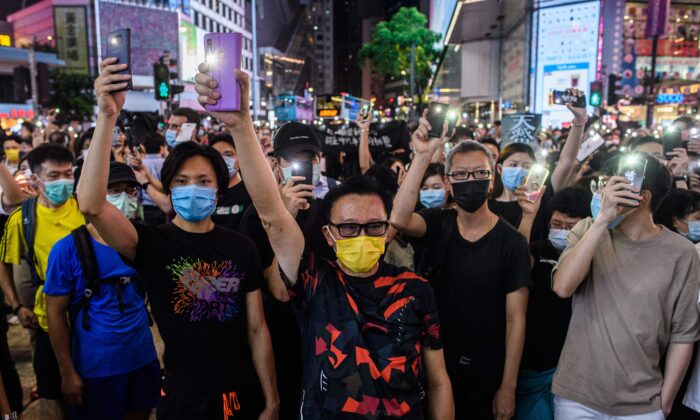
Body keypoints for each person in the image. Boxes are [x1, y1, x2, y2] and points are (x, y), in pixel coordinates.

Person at [195, 62, 454, 419]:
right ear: (329, 235)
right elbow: (272, 217)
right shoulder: (316, 281)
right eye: (349, 228)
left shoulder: (415, 289)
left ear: (388, 230)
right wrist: (240, 126)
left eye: (374, 226)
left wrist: (423, 158)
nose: (362, 235)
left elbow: (438, 381)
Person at [77, 57, 278, 419]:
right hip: (182, 397)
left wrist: (272, 399)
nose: (193, 190)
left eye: (204, 181)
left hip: (240, 395)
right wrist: (106, 117)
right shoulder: (150, 243)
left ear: (219, 190)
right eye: (182, 183)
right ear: (169, 189)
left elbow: (256, 327)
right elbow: (91, 206)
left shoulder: (241, 247)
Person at [390, 117, 530, 419]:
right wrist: (423, 156)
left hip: (486, 370)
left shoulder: (512, 242)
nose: (471, 180)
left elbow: (516, 320)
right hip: (436, 363)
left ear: (492, 179)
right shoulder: (440, 222)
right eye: (462, 174)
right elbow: (400, 219)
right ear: (449, 182)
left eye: (480, 173)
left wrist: (508, 386)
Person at [552, 153, 700, 418]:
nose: (604, 194)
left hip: (643, 403)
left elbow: (683, 333)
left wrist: (664, 404)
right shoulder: (588, 229)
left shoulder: (682, 252)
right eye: (603, 186)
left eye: (614, 186)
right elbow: (563, 287)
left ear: (642, 197)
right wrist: (600, 223)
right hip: (577, 396)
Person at [45, 161, 160, 420]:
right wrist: (67, 371)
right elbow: (55, 313)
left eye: (131, 190)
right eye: (114, 190)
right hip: (96, 367)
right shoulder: (67, 249)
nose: (125, 197)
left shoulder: (145, 241)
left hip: (141, 357)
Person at [0, 144, 86, 416]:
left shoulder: (87, 208)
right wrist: (17, 306)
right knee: (58, 388)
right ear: (35, 180)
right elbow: (3, 264)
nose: (63, 181)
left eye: (68, 174)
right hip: (50, 322)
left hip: (91, 318)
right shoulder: (22, 219)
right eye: (53, 175)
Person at [516, 187, 591, 420]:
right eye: (556, 224)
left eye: (571, 226)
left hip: (577, 370)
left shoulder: (593, 257)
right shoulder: (538, 250)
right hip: (535, 365)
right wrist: (528, 216)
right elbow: (516, 264)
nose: (562, 231)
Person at [490, 89, 586, 240]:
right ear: (500, 168)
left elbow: (566, 161)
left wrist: (579, 122)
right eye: (514, 164)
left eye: (527, 166)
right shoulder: (486, 206)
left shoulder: (542, 196)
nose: (520, 170)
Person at [210, 133, 252, 232]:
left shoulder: (250, 192)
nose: (221, 159)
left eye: (228, 154)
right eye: (216, 155)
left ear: (240, 157)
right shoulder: (203, 192)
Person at [138, 132, 167, 225]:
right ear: (162, 147)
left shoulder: (140, 163)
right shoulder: (166, 163)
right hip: (164, 206)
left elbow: (138, 187)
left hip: (146, 207)